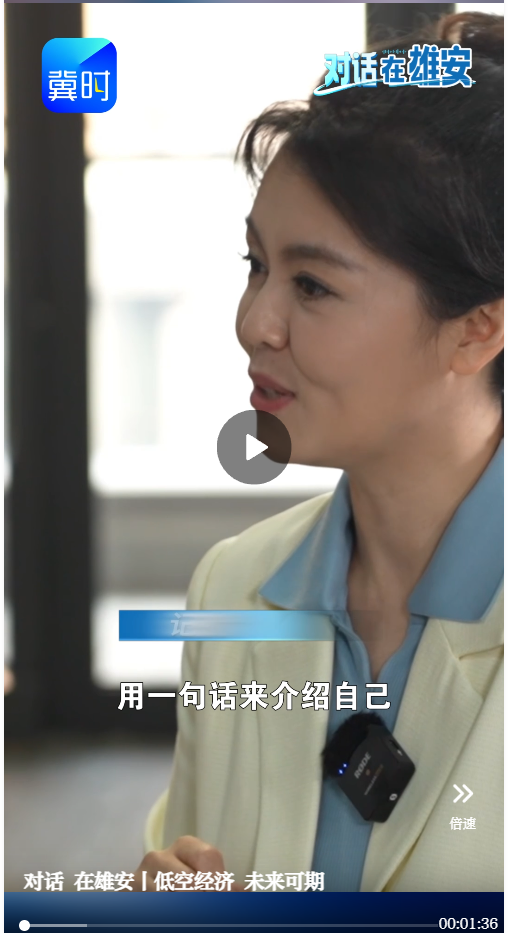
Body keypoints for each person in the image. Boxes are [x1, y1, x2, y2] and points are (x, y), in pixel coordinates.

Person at [135, 11, 503, 892]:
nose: (253, 323)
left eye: (312, 284)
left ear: (476, 329)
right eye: (255, 265)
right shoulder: (233, 589)